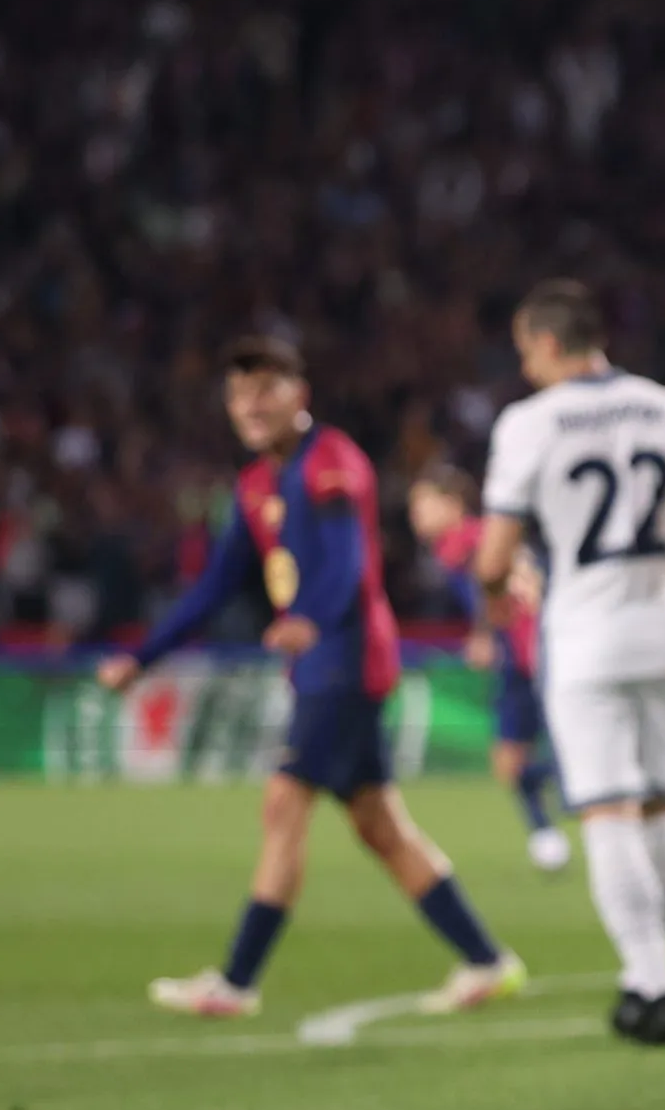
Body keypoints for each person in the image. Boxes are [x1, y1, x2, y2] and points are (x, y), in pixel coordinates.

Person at [97, 337, 524, 1017]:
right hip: (322, 664)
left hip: (346, 661)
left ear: (300, 393)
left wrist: (308, 617)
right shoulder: (254, 485)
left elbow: (350, 564)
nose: (251, 405)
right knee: (380, 827)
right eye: (239, 394)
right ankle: (487, 960)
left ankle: (237, 982)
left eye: (265, 388)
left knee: (283, 805)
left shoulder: (332, 463)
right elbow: (213, 586)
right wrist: (143, 657)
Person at [476, 281, 665, 1046]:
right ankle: (653, 976)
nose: (525, 368)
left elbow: (492, 557)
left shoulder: (528, 424)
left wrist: (496, 601)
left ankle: (652, 984)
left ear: (550, 344)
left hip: (585, 632)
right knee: (659, 805)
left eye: (526, 352)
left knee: (608, 811)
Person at [406, 464, 571, 875]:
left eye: (424, 504)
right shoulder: (463, 542)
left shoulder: (467, 539)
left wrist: (483, 634)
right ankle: (544, 833)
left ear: (453, 504)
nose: (416, 515)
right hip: (519, 652)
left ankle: (574, 784)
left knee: (543, 760)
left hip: (535, 650)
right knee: (508, 763)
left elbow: (495, 583)